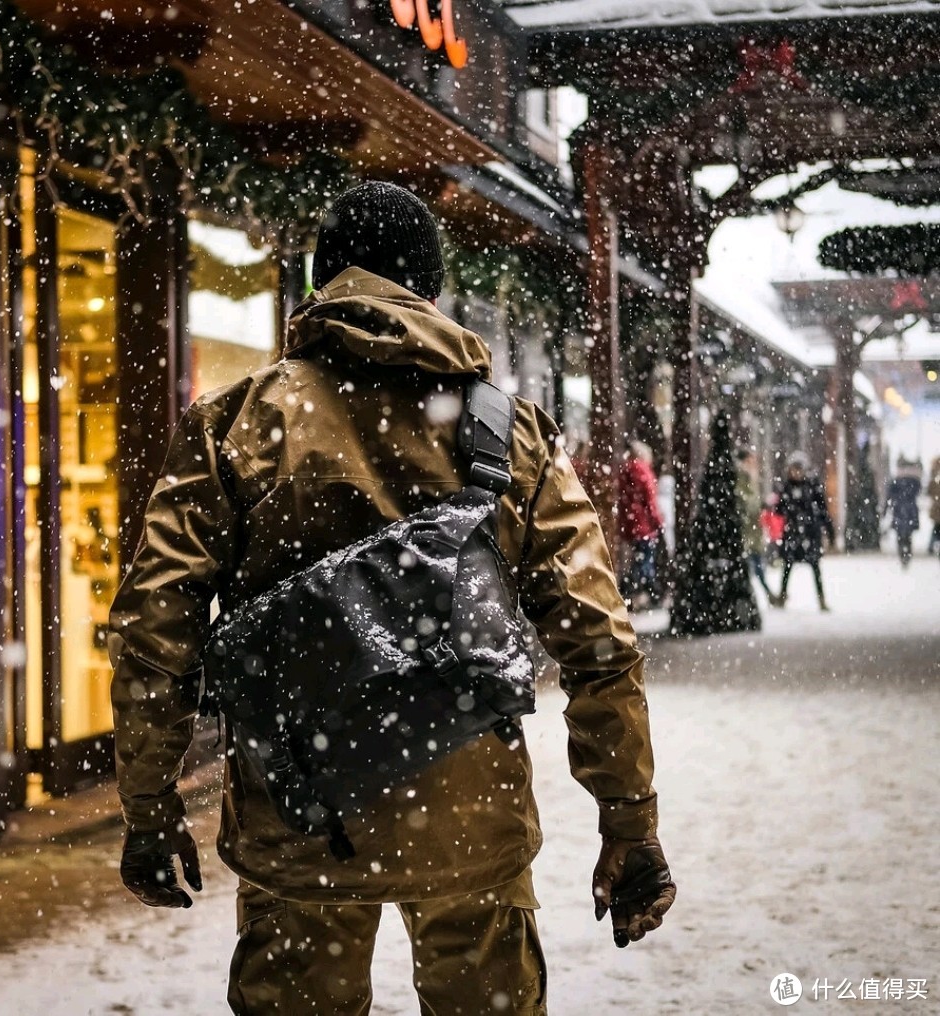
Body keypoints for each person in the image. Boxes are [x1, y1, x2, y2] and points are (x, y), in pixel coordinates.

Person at [108, 181, 674, 1015]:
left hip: (299, 804)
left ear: (319, 283)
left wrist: (149, 805)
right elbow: (598, 639)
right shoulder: (505, 430)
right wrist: (629, 819)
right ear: (431, 291)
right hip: (468, 810)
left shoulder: (241, 421)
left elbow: (156, 628)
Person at [772, 452, 834, 611]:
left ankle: (821, 599)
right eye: (794, 470)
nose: (797, 473)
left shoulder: (813, 487)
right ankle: (782, 595)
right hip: (792, 533)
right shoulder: (786, 488)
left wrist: (829, 531)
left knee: (815, 567)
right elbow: (779, 511)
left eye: (799, 470)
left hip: (810, 534)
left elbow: (823, 511)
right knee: (787, 566)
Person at [618, 440, 664, 608]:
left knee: (639, 559)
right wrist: (658, 521)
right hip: (644, 525)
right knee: (645, 561)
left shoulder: (625, 472)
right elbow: (650, 501)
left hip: (631, 525)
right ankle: (649, 593)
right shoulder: (644, 471)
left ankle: (632, 591)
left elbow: (624, 503)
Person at [735, 448, 774, 604]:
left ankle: (766, 594)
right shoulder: (742, 477)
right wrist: (758, 505)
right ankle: (763, 595)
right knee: (753, 565)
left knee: (756, 564)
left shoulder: (750, 477)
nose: (753, 464)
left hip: (753, 528)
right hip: (746, 528)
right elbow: (745, 501)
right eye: (750, 460)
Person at [885, 456, 922, 569]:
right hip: (910, 511)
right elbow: (918, 491)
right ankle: (906, 555)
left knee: (900, 536)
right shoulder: (914, 481)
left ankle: (903, 555)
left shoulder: (896, 481)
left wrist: (885, 510)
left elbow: (889, 496)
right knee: (908, 536)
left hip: (899, 510)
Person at [929, 456, 940, 560]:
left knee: (936, 529)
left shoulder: (935, 476)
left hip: (937, 508)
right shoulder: (935, 476)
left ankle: (931, 546)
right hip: (937, 508)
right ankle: (931, 546)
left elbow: (931, 491)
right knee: (936, 529)